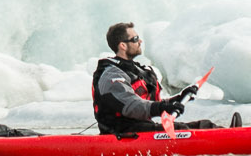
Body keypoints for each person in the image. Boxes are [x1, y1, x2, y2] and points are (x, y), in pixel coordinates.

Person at [92, 22, 227, 135]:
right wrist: (164, 107)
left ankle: (233, 133)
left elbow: (150, 103)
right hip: (121, 132)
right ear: (123, 45)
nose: (140, 41)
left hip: (140, 128)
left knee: (204, 125)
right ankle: (231, 139)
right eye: (135, 39)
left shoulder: (136, 70)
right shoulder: (112, 75)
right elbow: (131, 106)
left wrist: (178, 98)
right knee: (185, 130)